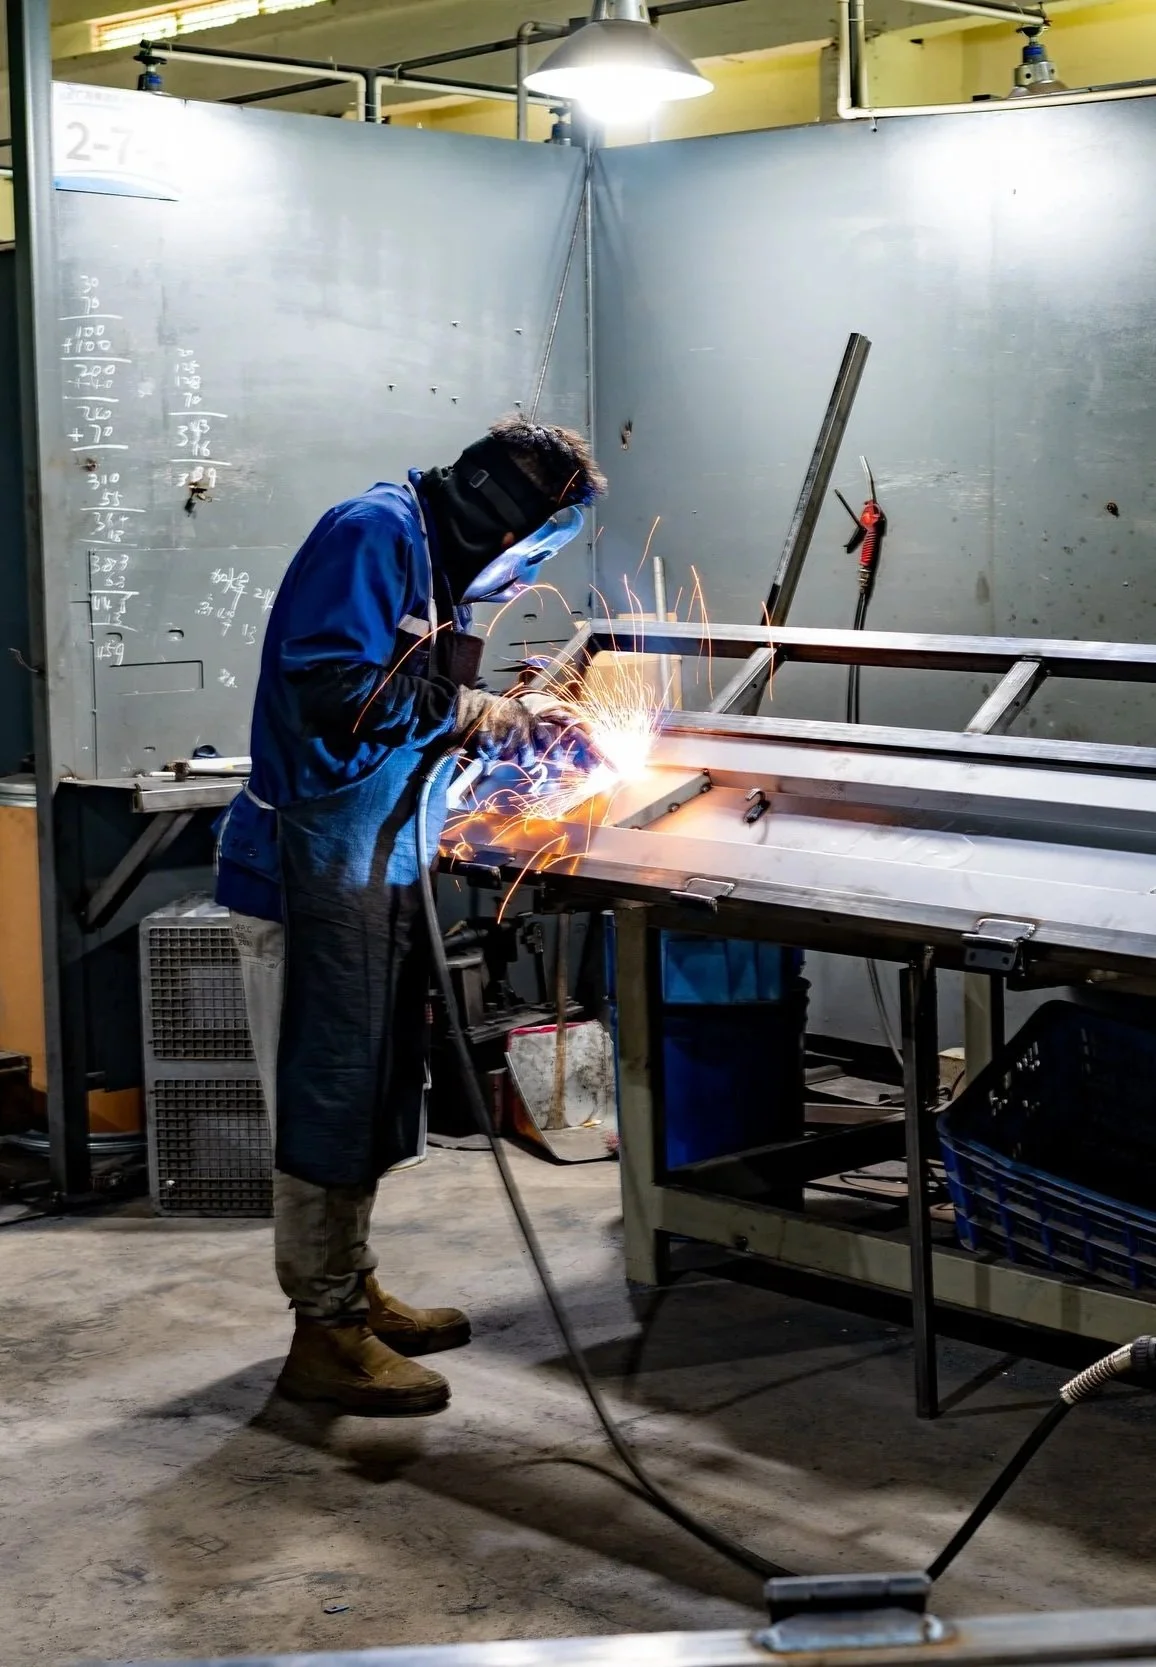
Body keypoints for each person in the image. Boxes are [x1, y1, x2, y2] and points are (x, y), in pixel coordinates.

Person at [216, 417, 607, 1416]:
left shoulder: (431, 558)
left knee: (376, 1082)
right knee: (330, 1094)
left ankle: (351, 1287)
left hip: (368, 868)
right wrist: (484, 716)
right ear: (494, 505)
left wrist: (499, 738)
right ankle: (323, 1330)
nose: (526, 566)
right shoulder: (372, 532)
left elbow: (411, 699)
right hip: (303, 875)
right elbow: (334, 689)